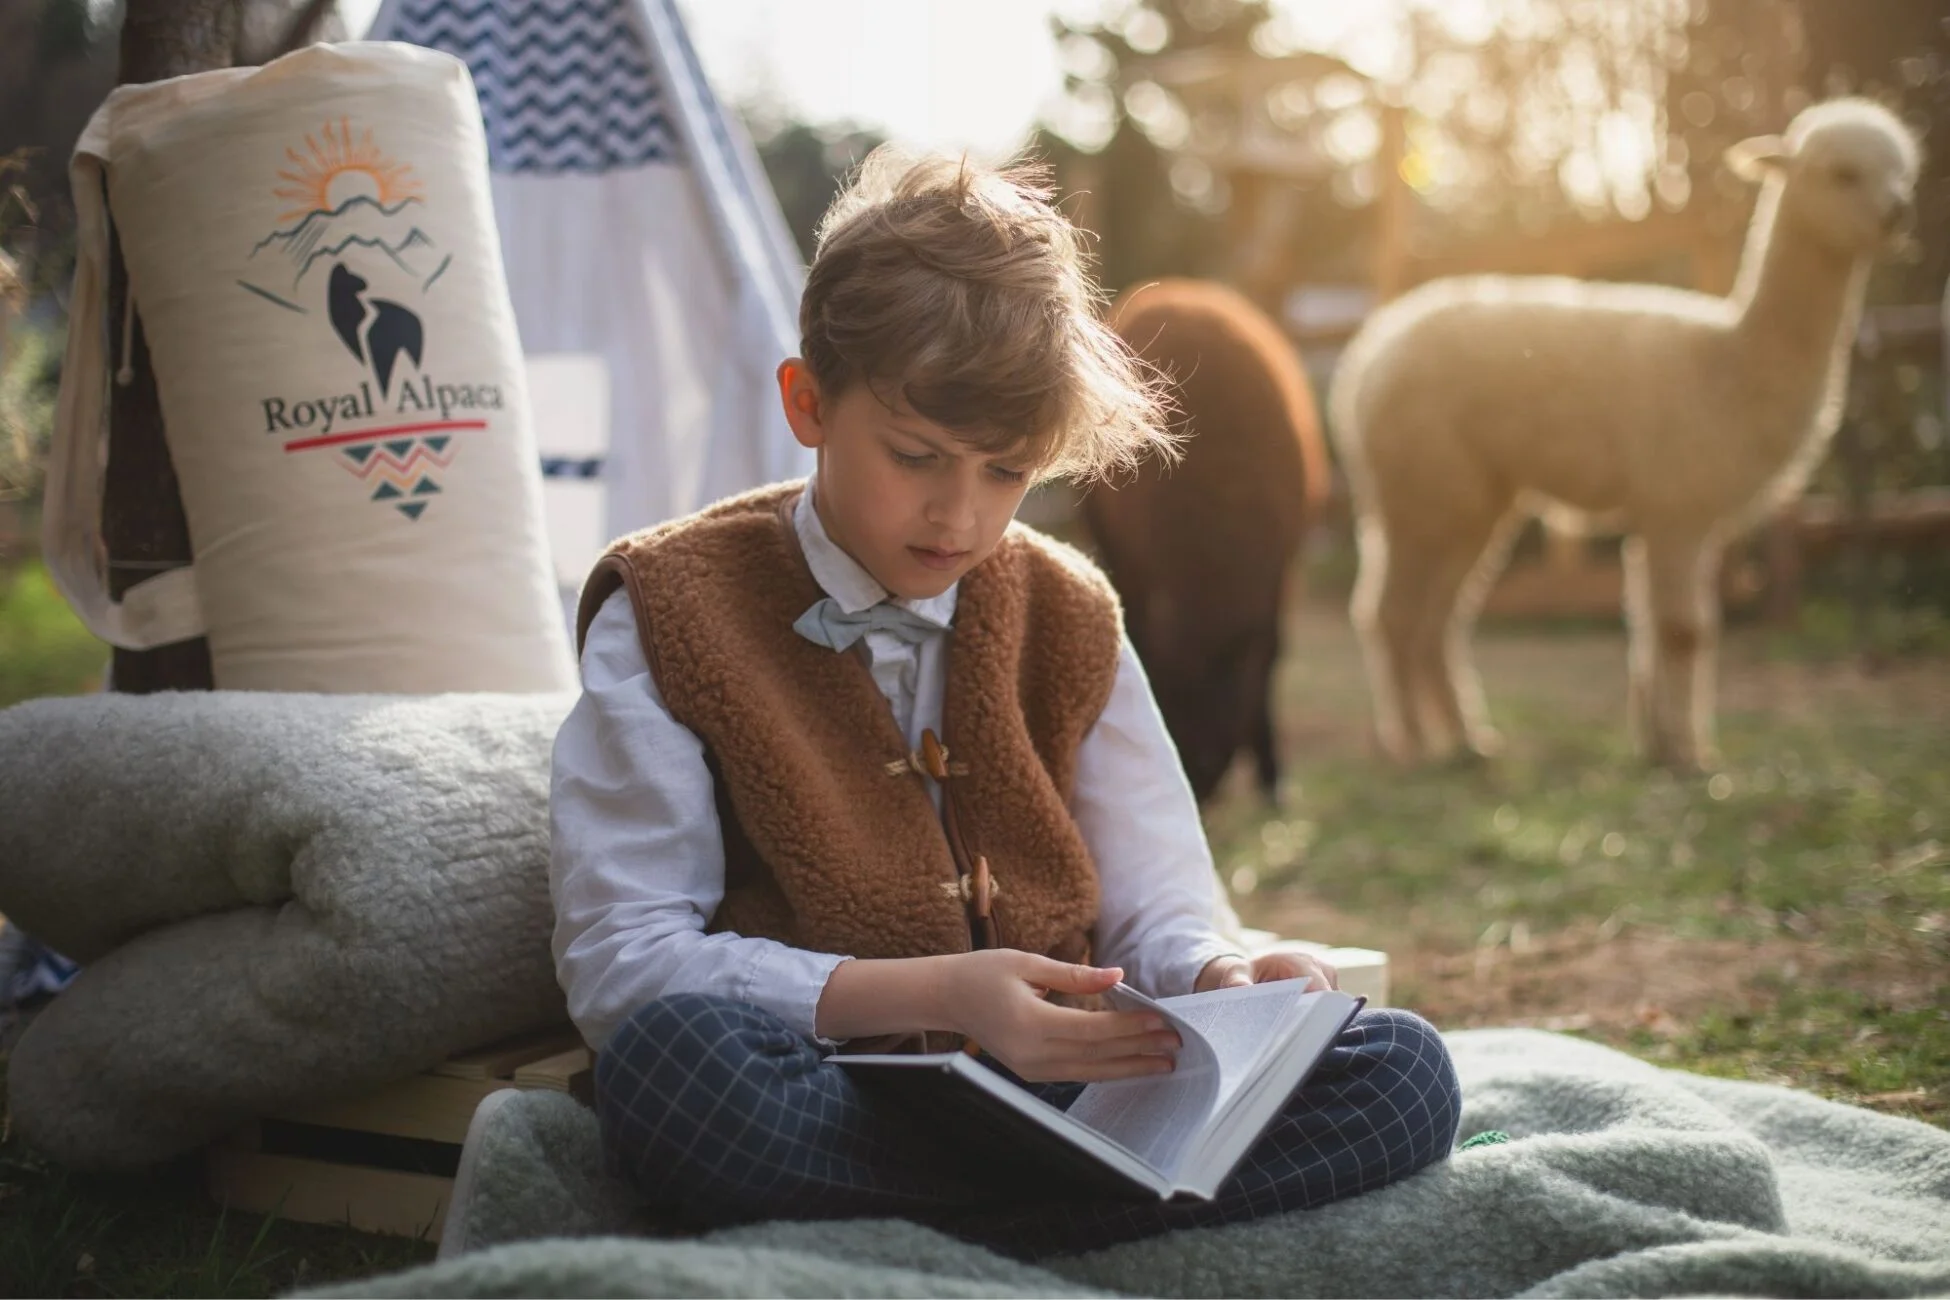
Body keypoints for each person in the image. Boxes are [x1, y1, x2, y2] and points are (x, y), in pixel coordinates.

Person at [547, 147, 1461, 1258]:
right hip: (838, 1095)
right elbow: (622, 965)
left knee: (1405, 1071)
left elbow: (1160, 912)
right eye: (917, 455)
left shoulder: (1069, 607)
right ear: (809, 402)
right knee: (671, 1073)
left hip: (1081, 1098)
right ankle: (1098, 1228)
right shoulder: (667, 604)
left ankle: (956, 1234)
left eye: (1007, 470)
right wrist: (936, 994)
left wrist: (1227, 973)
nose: (961, 517)